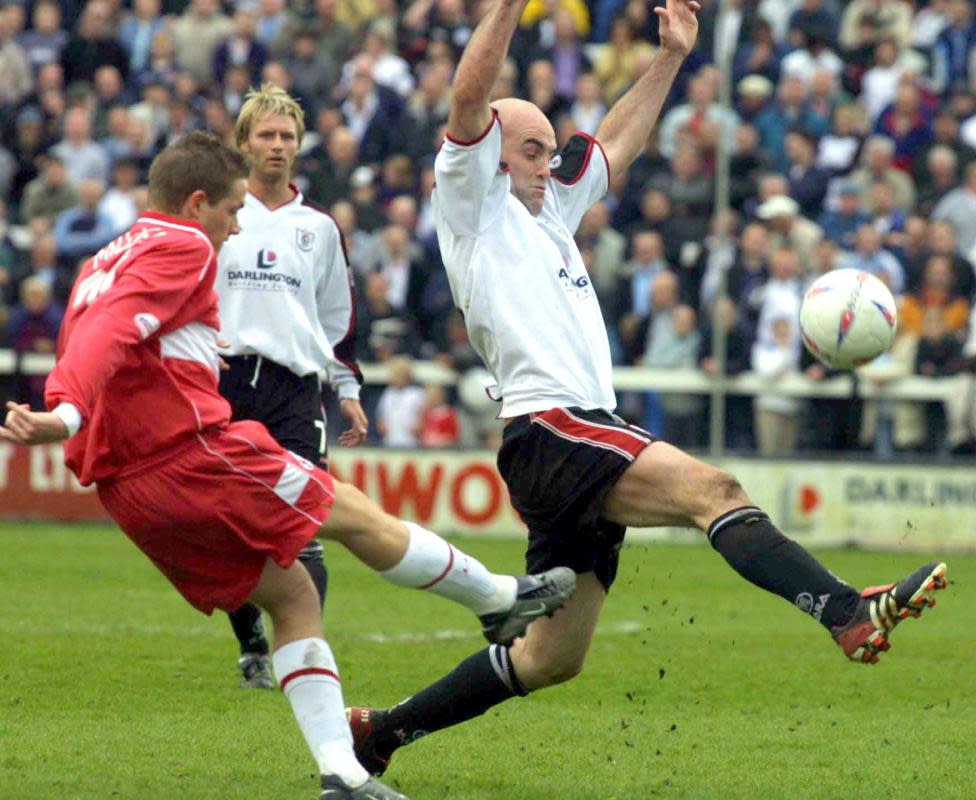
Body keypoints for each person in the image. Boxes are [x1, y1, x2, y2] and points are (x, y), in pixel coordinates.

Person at [347, 0, 949, 777]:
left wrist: (670, 57)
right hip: (554, 425)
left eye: (550, 151)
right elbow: (468, 100)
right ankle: (844, 611)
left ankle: (382, 733)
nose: (547, 162)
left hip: (565, 436)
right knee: (713, 489)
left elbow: (616, 144)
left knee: (549, 659)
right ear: (492, 153)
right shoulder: (473, 202)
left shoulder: (549, 212)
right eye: (532, 150)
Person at [0, 132, 574, 800]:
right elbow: (109, 336)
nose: (238, 224)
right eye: (233, 208)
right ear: (196, 203)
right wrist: (63, 414)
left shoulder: (106, 255)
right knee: (350, 510)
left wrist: (72, 420)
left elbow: (97, 333)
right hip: (188, 454)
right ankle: (499, 600)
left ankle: (343, 774)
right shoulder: (181, 243)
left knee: (294, 595)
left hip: (129, 487)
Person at [214, 83, 371, 689]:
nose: (277, 146)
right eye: (266, 136)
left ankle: (303, 660)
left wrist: (347, 389)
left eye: (286, 137)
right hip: (224, 382)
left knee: (304, 522)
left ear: (299, 146)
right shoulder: (220, 217)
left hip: (295, 390)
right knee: (227, 525)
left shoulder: (319, 228)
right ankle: (252, 641)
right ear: (244, 143)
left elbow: (337, 319)